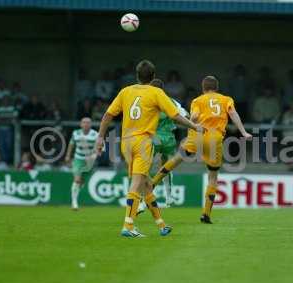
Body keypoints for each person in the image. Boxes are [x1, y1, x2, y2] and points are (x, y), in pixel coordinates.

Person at [95, 60, 201, 238]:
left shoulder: (126, 91)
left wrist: (100, 137)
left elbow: (108, 115)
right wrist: (194, 126)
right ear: (153, 76)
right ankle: (128, 226)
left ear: (137, 76)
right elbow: (175, 115)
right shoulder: (156, 92)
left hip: (126, 142)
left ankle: (161, 225)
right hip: (143, 142)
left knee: (146, 185)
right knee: (137, 184)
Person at [151, 76, 252, 224]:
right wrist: (243, 132)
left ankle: (152, 183)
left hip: (197, 136)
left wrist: (193, 121)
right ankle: (206, 214)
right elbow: (233, 114)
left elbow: (195, 116)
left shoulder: (197, 101)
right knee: (212, 176)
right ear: (216, 87)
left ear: (203, 88)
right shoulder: (226, 99)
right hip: (214, 139)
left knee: (177, 159)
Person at [137, 78, 189, 214]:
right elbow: (185, 115)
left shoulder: (147, 100)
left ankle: (142, 202)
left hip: (153, 138)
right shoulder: (171, 101)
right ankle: (169, 197)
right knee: (165, 167)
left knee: (144, 168)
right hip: (169, 139)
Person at [65, 117, 98, 210]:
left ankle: (76, 194)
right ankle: (74, 202)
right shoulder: (76, 133)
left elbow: (99, 147)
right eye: (84, 122)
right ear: (81, 124)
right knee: (77, 179)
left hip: (89, 161)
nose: (86, 124)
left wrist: (94, 155)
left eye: (88, 123)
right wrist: (68, 155)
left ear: (90, 125)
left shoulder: (95, 134)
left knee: (81, 182)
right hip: (78, 159)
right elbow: (71, 144)